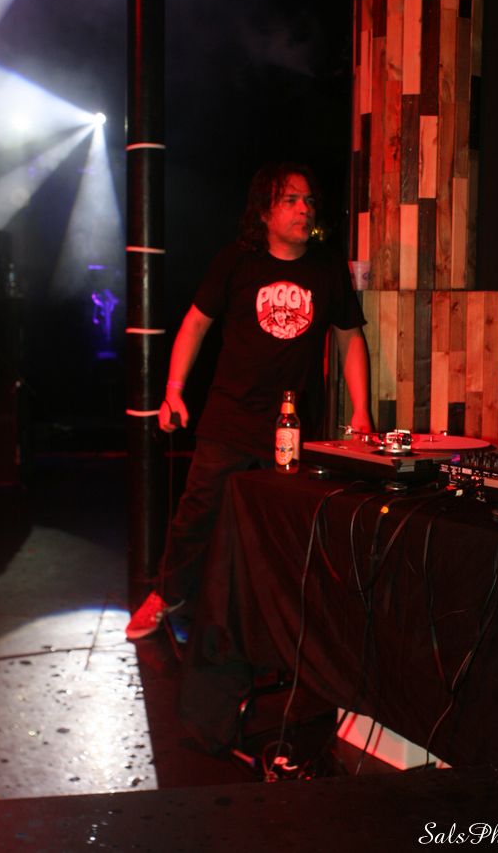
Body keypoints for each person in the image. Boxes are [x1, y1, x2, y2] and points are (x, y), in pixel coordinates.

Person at [125, 162, 373, 640]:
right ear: (264, 211)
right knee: (197, 514)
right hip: (231, 416)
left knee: (284, 525)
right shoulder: (237, 261)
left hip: (294, 423)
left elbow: (350, 339)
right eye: (290, 200)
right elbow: (195, 324)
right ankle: (167, 594)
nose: (304, 209)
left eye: (309, 201)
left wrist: (361, 411)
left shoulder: (326, 267)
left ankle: (280, 625)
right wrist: (173, 391)